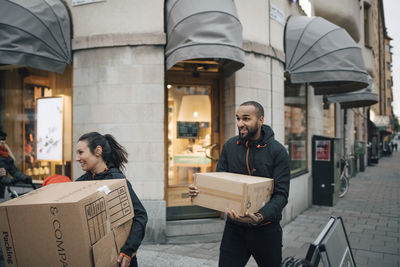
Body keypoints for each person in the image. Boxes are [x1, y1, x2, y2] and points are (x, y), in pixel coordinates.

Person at [189, 101, 290, 267]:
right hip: (234, 230)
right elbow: (219, 182)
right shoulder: (230, 146)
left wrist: (259, 217)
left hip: (266, 230)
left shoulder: (277, 151)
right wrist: (200, 191)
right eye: (238, 118)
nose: (240, 124)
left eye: (246, 119)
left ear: (260, 120)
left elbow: (281, 195)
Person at [75, 132, 147, 267]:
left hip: (119, 259)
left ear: (97, 151)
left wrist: (128, 250)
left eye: (81, 152)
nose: (77, 158)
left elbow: (140, 216)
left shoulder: (117, 180)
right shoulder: (79, 183)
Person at [0, 130, 32, 198]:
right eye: (0, 139)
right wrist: (9, 181)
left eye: (3, 139)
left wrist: (25, 178)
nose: (2, 141)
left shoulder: (5, 155)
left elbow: (14, 170)